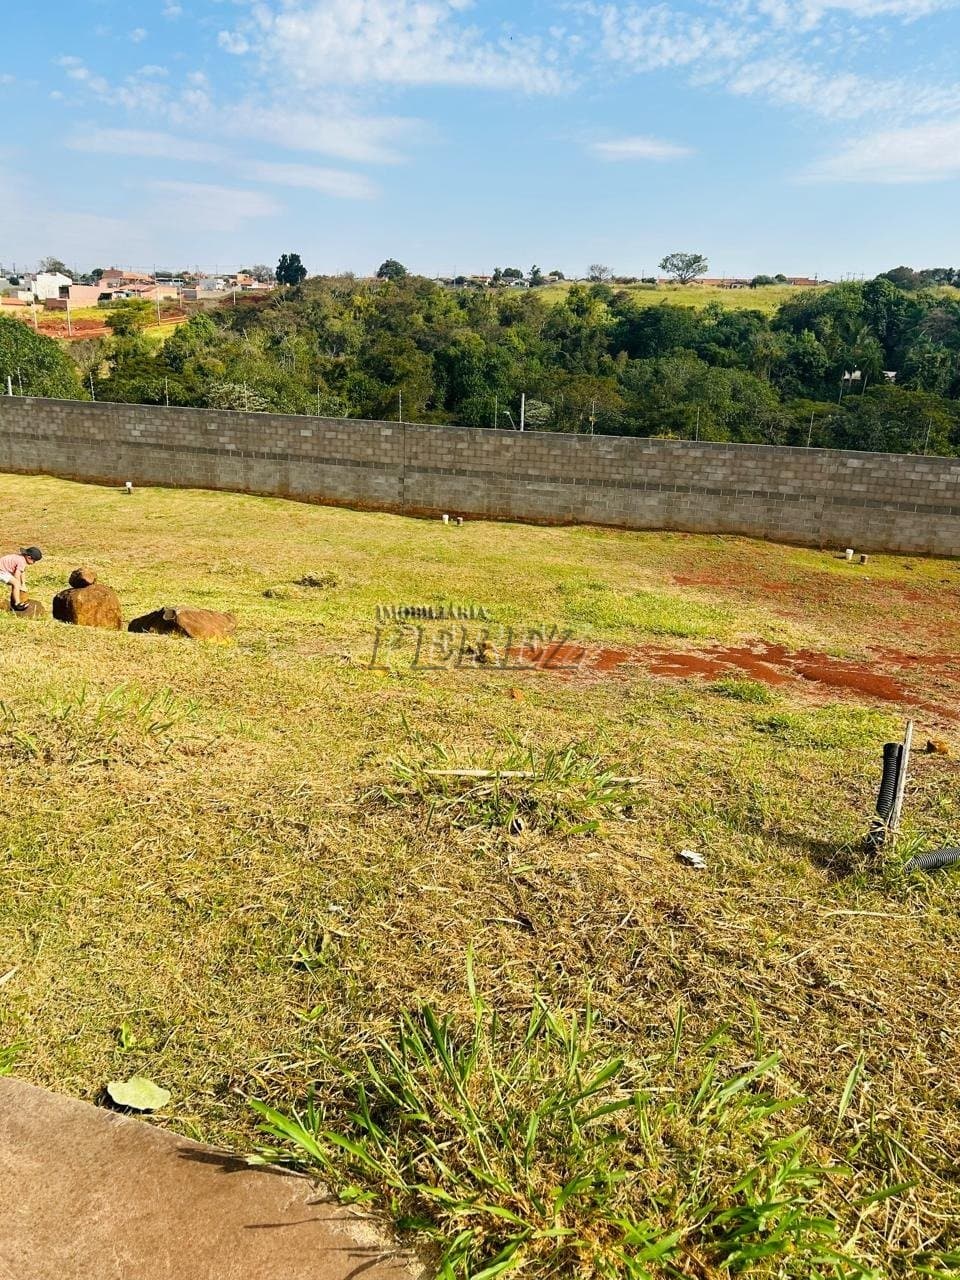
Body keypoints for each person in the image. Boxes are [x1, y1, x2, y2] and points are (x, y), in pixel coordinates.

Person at [0, 546, 43, 612]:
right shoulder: (21, 561)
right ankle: (17, 604)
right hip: (1, 571)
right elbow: (17, 574)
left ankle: (14, 600)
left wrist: (23, 584)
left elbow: (22, 572)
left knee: (16, 584)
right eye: (34, 561)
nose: (34, 563)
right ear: (29, 557)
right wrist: (19, 585)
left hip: (4, 570)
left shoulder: (22, 558)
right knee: (16, 583)